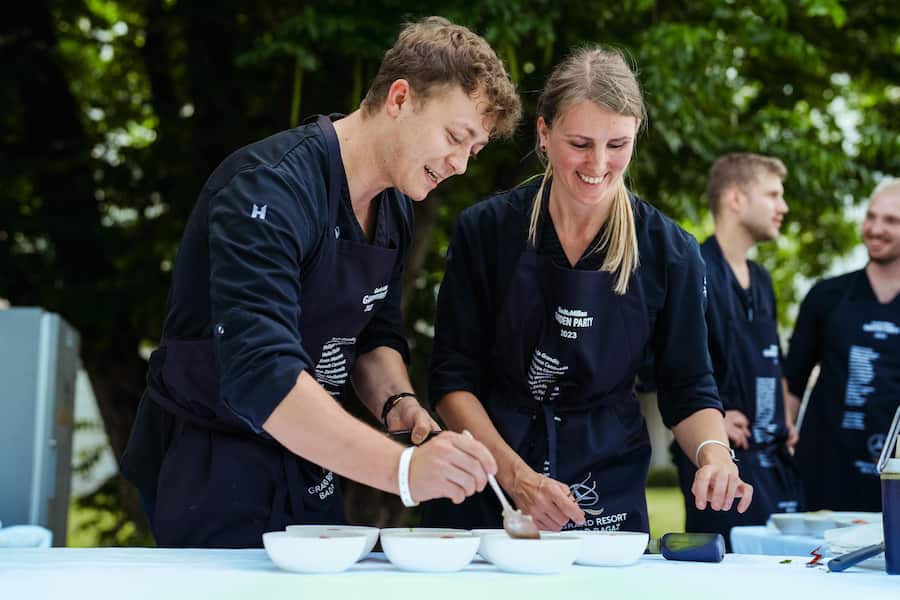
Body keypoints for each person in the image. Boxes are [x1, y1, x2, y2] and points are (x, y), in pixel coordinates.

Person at [120, 16, 521, 548]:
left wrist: (396, 402)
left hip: (313, 464)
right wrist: (404, 471)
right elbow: (262, 374)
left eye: (474, 150)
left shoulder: (396, 206)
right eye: (455, 137)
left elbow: (373, 335)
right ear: (400, 98)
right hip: (214, 465)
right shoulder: (269, 188)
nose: (461, 165)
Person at [423, 47, 753, 533]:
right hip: (486, 481)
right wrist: (517, 478)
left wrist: (715, 456)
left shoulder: (670, 250)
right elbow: (452, 382)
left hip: (606, 490)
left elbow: (688, 386)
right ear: (543, 134)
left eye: (618, 144)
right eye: (580, 143)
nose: (598, 164)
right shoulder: (486, 231)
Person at [673, 153, 804, 548]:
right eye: (773, 195)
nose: (783, 207)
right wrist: (714, 422)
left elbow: (772, 359)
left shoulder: (762, 279)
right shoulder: (692, 267)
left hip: (773, 459)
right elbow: (666, 366)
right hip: (720, 460)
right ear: (735, 199)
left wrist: (784, 418)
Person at [783, 179, 900, 511]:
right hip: (824, 472)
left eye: (891, 221)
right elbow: (793, 378)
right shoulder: (826, 296)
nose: (875, 229)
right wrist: (781, 439)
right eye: (871, 217)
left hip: (893, 475)